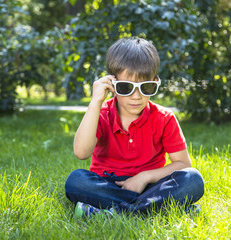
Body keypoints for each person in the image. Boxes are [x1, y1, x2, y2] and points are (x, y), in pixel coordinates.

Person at [65, 37, 204, 218]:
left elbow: (183, 164)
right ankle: (154, 209)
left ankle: (113, 213)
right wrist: (95, 102)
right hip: (108, 185)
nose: (136, 96)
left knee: (192, 179)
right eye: (125, 87)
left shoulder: (165, 118)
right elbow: (81, 152)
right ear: (112, 84)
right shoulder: (101, 114)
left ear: (155, 82)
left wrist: (144, 177)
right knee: (76, 181)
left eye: (145, 87)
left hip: (150, 185)